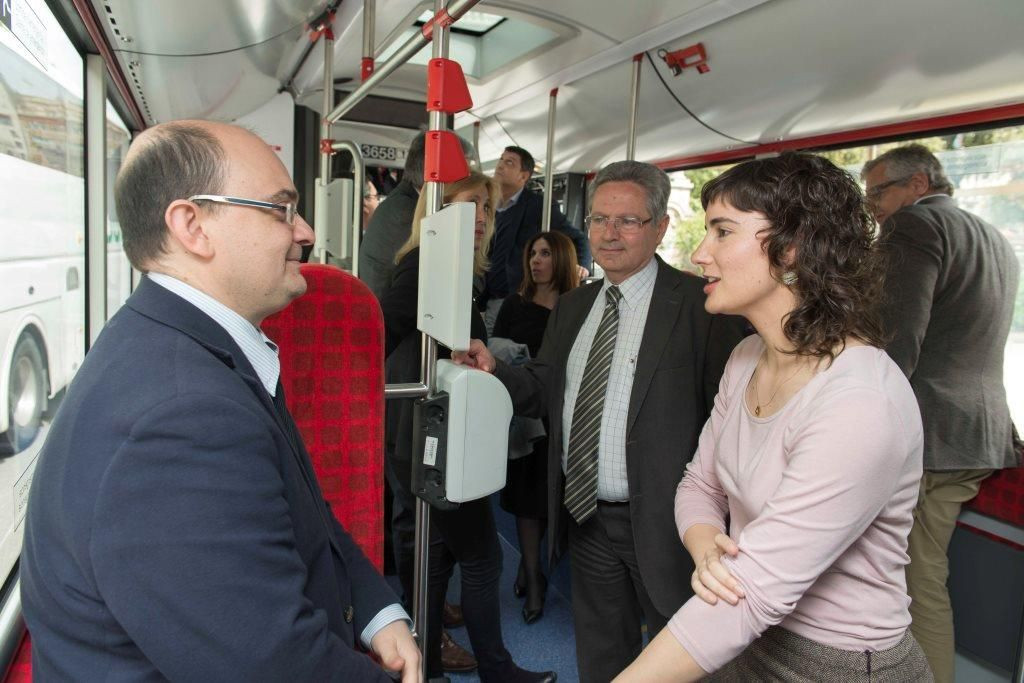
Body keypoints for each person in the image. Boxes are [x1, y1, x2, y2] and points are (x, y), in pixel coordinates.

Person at [20, 120, 420, 682]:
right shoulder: (181, 419)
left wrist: (378, 612)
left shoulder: (184, 346)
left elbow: (301, 509)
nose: (303, 231)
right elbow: (275, 665)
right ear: (193, 227)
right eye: (281, 209)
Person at [615, 153, 932, 682]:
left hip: (839, 663)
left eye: (721, 232)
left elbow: (755, 593)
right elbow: (699, 485)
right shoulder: (745, 359)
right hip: (746, 636)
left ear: (790, 248)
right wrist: (705, 549)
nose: (699, 254)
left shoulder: (859, 400)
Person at [455, 160, 746, 681]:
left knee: (686, 663)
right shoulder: (574, 305)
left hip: (668, 525)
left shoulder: (702, 310)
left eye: (628, 221)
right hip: (585, 517)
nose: (609, 234)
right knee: (601, 657)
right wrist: (495, 367)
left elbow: (728, 426)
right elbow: (545, 388)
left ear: (659, 227)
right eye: (598, 220)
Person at [380, 171, 556, 683]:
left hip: (422, 433)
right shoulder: (426, 265)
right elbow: (380, 329)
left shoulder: (450, 269)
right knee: (481, 559)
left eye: (487, 207)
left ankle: (430, 667)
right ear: (437, 213)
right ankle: (497, 670)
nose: (480, 218)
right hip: (430, 434)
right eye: (467, 205)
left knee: (434, 559)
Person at [862, 144, 1021, 682]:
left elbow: (897, 343)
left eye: (879, 191)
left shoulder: (913, 228)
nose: (872, 206)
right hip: (979, 430)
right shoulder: (993, 238)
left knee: (914, 578)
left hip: (932, 435)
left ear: (918, 183)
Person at [492, 231, 581, 625]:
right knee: (527, 502)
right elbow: (499, 351)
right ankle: (533, 576)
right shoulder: (515, 304)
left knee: (553, 501)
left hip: (564, 414)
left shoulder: (577, 307)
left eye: (544, 253)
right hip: (525, 418)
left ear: (561, 259)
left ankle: (531, 567)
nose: (536, 260)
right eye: (532, 253)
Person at [479, 145, 591, 331]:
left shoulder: (537, 206)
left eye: (509, 162)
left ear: (523, 176)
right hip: (489, 298)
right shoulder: (487, 206)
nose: (500, 165)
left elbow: (578, 238)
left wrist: (581, 266)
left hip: (519, 300)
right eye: (500, 159)